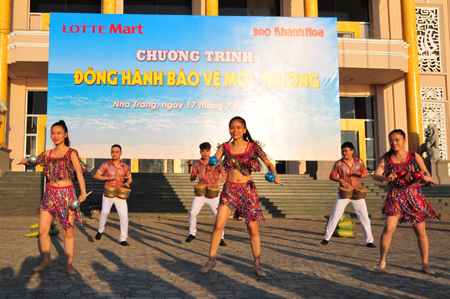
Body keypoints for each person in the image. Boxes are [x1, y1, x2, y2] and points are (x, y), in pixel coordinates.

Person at [200, 116, 280, 277]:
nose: (234, 130)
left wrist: (275, 174)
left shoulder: (252, 147)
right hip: (229, 190)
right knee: (218, 225)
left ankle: (257, 265)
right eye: (232, 127)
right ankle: (211, 259)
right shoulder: (225, 147)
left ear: (244, 129)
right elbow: (214, 159)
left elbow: (268, 162)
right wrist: (210, 166)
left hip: (247, 191)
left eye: (238, 127)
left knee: (252, 228)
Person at [21, 120, 88, 276]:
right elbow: (35, 161)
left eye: (59, 133)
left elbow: (78, 172)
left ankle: (69, 265)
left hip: (67, 196)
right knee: (43, 230)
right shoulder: (47, 154)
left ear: (65, 135)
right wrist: (26, 161)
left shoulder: (71, 153)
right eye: (53, 133)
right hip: (50, 195)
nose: (55, 136)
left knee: (68, 232)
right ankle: (46, 261)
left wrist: (83, 192)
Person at [373, 129, 439, 274]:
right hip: (395, 195)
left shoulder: (413, 156)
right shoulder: (386, 159)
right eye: (391, 140)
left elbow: (426, 172)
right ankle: (381, 260)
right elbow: (376, 175)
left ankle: (425, 264)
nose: (394, 142)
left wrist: (425, 176)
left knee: (420, 230)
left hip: (413, 195)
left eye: (397, 139)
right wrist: (387, 177)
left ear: (404, 141)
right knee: (389, 228)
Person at [321, 142, 376, 247]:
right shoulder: (338, 163)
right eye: (343, 151)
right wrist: (340, 180)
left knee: (364, 216)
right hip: (344, 193)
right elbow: (331, 176)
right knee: (336, 214)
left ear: (352, 151)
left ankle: (369, 241)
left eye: (346, 151)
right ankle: (326, 238)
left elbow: (365, 174)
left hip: (357, 193)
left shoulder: (359, 162)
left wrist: (361, 175)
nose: (344, 153)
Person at [187, 142, 228, 245]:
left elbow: (225, 175)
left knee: (218, 216)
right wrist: (196, 175)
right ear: (200, 152)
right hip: (200, 193)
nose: (205, 153)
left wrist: (217, 182)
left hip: (213, 193)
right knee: (192, 213)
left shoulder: (216, 162)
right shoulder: (197, 164)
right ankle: (192, 234)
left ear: (210, 151)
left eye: (207, 151)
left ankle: (221, 238)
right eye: (203, 151)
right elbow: (191, 178)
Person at [94, 144, 132, 246]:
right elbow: (96, 175)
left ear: (121, 153)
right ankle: (100, 231)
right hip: (108, 193)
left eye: (117, 152)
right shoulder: (106, 165)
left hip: (120, 194)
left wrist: (128, 183)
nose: (115, 154)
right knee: (105, 212)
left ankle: (123, 238)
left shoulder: (125, 167)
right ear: (111, 153)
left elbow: (130, 178)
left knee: (124, 216)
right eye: (113, 152)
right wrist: (107, 178)